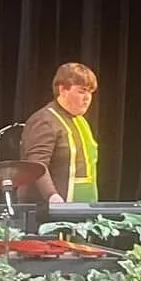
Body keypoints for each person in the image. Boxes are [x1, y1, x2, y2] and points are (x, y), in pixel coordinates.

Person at [21, 63, 101, 204]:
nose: (87, 98)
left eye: (90, 92)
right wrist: (52, 196)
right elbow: (37, 165)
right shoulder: (44, 120)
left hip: (84, 210)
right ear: (63, 90)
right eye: (82, 91)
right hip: (50, 211)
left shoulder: (81, 121)